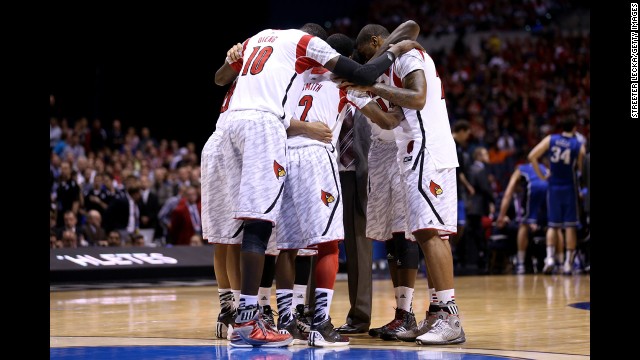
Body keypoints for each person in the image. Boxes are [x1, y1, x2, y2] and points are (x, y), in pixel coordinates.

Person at [206, 19, 420, 348]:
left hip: (274, 146)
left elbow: (223, 79)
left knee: (280, 244)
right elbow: (385, 116)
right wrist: (394, 58)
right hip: (314, 159)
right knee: (327, 244)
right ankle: (318, 321)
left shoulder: (281, 71)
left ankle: (281, 317)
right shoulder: (338, 77)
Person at [342, 34, 466, 345]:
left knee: (430, 230)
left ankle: (449, 317)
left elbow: (419, 97)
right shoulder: (391, 71)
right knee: (422, 232)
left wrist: (370, 87)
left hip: (427, 149)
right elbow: (391, 118)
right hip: (410, 150)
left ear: (378, 41)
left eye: (366, 53)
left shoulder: (407, 57)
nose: (367, 62)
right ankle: (437, 312)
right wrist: (364, 97)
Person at [334, 20, 421, 337]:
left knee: (375, 241)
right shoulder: (335, 85)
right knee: (320, 246)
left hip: (367, 168)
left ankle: (366, 316)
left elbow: (387, 120)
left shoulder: (368, 81)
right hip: (332, 170)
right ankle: (307, 311)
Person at [528, 117, 586, 275]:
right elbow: (581, 170)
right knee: (570, 226)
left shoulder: (551, 139)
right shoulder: (578, 145)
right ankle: (568, 263)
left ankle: (550, 258)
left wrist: (541, 175)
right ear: (574, 128)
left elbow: (532, 156)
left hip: (553, 186)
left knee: (553, 225)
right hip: (569, 187)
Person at [496, 159, 549, 274]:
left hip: (534, 187)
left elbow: (508, 194)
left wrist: (501, 216)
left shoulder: (520, 169)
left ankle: (520, 263)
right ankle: (554, 260)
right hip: (549, 187)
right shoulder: (544, 167)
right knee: (552, 225)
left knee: (524, 224)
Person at [464, 147, 495, 272]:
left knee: (472, 233)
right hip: (478, 206)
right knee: (479, 234)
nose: (488, 156)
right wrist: (493, 201)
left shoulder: (471, 168)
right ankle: (481, 261)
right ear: (479, 156)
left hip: (470, 205)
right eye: (485, 154)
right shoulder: (480, 169)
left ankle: (472, 260)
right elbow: (485, 188)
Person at [450, 120, 474, 264]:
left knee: (461, 224)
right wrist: (468, 186)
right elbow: (458, 172)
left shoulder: (458, 147)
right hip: (449, 191)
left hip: (457, 191)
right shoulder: (449, 144)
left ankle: (451, 248)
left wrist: (467, 186)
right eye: (467, 134)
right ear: (461, 131)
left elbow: (460, 172)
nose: (467, 137)